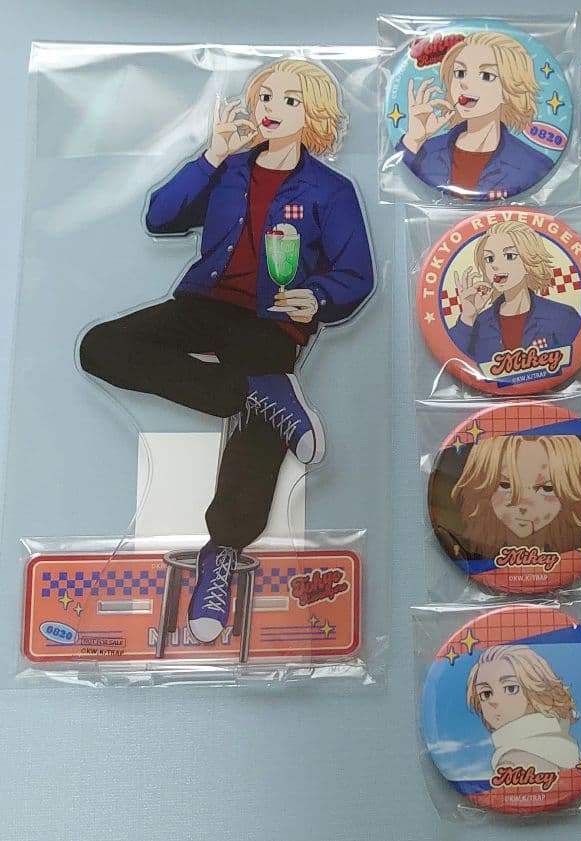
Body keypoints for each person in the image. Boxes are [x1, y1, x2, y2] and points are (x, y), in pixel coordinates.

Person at [78, 59, 374, 644]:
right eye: (265, 96)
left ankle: (222, 553)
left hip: (273, 319)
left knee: (258, 434)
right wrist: (211, 154)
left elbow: (356, 273)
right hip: (203, 303)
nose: (272, 108)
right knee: (101, 346)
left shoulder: (330, 190)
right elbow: (162, 216)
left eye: (290, 100)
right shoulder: (230, 167)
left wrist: (317, 297)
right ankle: (254, 393)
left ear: (312, 114)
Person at [398, 32, 552, 199]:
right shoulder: (425, 150)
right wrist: (414, 139)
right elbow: (397, 181)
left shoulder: (533, 164)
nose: (464, 83)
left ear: (510, 88)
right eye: (459, 73)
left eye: (486, 76)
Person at [447, 221, 581, 364]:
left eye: (509, 256)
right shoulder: (478, 324)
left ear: (528, 261)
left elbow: (576, 354)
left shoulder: (562, 316)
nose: (495, 265)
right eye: (489, 259)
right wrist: (467, 317)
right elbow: (451, 359)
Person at [450, 434, 581, 558]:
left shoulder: (574, 554)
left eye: (547, 488)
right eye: (506, 485)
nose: (523, 505)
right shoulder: (470, 553)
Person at [466, 645, 581, 773]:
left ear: (536, 690)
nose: (493, 701)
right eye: (486, 694)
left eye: (510, 688)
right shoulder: (562, 743)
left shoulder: (515, 759)